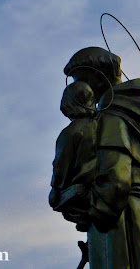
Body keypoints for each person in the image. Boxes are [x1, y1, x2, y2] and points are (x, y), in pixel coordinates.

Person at [63, 47, 140, 269]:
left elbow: (115, 179)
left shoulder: (110, 116)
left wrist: (94, 215)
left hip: (122, 220)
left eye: (81, 80)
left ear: (97, 78)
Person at [49, 81, 98, 232]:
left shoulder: (70, 133)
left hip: (82, 189)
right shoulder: (103, 125)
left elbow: (60, 167)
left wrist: (55, 189)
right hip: (101, 184)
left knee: (55, 202)